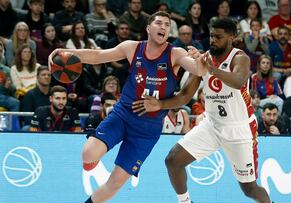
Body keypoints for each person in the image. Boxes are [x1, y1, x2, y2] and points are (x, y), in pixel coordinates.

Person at [48, 11, 207, 203]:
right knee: (87, 153)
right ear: (148, 28)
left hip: (147, 129)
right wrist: (68, 53)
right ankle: (94, 161)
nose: (163, 27)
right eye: (159, 23)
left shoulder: (176, 53)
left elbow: (198, 70)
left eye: (167, 24)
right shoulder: (132, 48)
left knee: (115, 183)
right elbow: (98, 55)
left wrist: (198, 58)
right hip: (123, 115)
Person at [133, 17, 271, 203]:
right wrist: (160, 104)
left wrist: (212, 69)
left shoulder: (240, 58)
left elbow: (238, 81)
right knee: (173, 160)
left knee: (249, 189)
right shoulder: (204, 59)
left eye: (218, 37)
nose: (212, 40)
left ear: (232, 38)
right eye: (211, 36)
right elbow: (185, 95)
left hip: (240, 130)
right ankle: (185, 202)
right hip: (212, 125)